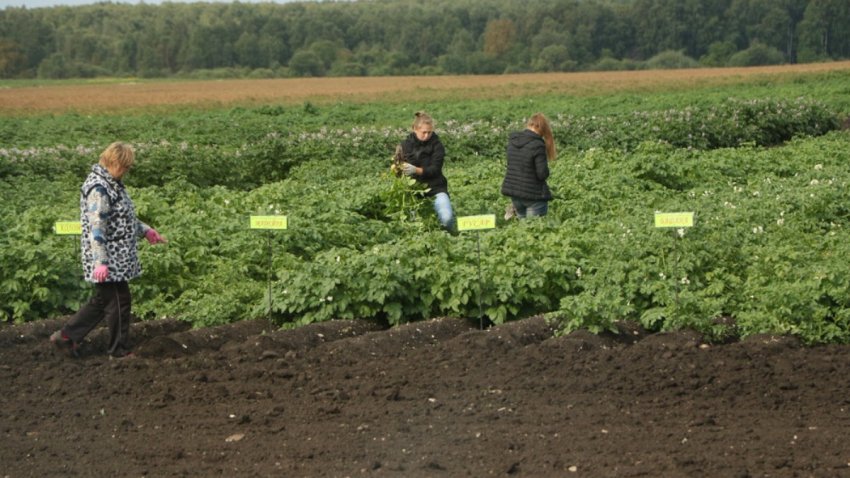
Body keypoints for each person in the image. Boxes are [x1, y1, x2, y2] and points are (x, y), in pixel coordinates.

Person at [50, 142, 166, 358]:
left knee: (103, 301)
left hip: (117, 257)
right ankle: (118, 350)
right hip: (108, 259)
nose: (127, 171)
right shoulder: (99, 189)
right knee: (120, 301)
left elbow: (123, 217)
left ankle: (66, 337)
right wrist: (100, 262)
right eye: (125, 166)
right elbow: (97, 228)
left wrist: (146, 231)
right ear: (114, 163)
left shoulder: (113, 184)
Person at [398, 111, 455, 230]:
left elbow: (435, 169)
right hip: (413, 191)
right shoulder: (405, 145)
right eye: (424, 132)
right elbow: (399, 167)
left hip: (436, 188)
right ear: (415, 129)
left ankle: (449, 236)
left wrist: (416, 170)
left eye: (429, 132)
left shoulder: (437, 145)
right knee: (415, 226)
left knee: (447, 219)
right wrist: (399, 168)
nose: (427, 135)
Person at [501, 112, 557, 218]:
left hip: (516, 195)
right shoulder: (538, 145)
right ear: (543, 129)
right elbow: (542, 174)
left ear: (529, 124)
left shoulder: (513, 142)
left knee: (524, 232)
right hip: (534, 197)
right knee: (534, 231)